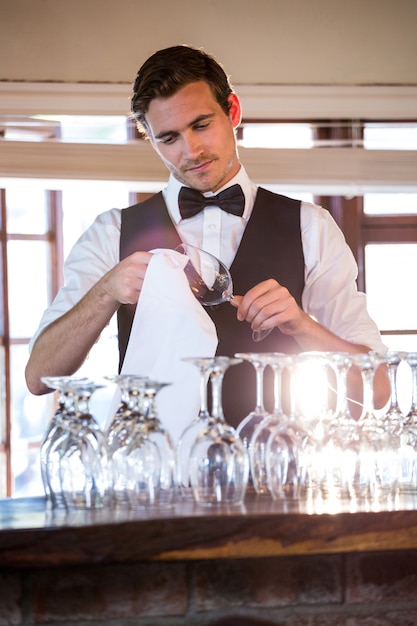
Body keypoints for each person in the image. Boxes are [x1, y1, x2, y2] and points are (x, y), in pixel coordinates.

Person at [25, 44, 389, 427]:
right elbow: (39, 377)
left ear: (232, 111)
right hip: (156, 475)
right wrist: (105, 292)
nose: (192, 150)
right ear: (149, 138)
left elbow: (377, 390)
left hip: (271, 473)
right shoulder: (110, 233)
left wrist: (301, 324)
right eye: (169, 138)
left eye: (201, 125)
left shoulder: (310, 226)